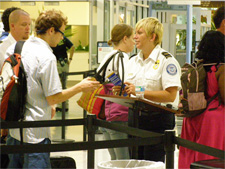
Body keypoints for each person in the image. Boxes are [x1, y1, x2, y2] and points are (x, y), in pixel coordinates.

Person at [5, 9, 100, 168]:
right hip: (36, 134)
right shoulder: (46, 57)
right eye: (61, 33)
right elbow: (53, 98)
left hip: (14, 130)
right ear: (51, 31)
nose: (62, 37)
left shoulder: (16, 48)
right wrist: (80, 87)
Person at [114, 17, 181, 162]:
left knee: (152, 164)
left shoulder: (167, 61)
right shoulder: (133, 61)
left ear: (152, 36)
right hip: (135, 118)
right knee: (135, 162)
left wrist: (139, 91)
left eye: (139, 33)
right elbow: (133, 89)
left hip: (157, 119)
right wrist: (122, 90)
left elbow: (170, 95)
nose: (135, 37)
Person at [178, 30, 225, 168]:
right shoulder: (221, 69)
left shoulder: (197, 67)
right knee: (210, 156)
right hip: (213, 118)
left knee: (190, 152)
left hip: (192, 113)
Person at [97, 23, 135, 160]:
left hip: (105, 113)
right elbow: (125, 84)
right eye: (132, 38)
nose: (134, 42)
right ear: (125, 39)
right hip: (120, 113)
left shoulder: (108, 56)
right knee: (123, 161)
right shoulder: (122, 57)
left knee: (114, 160)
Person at [0, 9, 31, 139]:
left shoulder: (30, 46)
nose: (28, 28)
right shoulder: (3, 49)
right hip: (10, 109)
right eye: (24, 25)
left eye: (29, 24)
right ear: (12, 25)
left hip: (26, 111)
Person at [52, 36, 75, 112]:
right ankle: (65, 106)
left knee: (58, 85)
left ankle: (59, 106)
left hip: (56, 64)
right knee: (64, 85)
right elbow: (72, 47)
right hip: (64, 64)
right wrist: (70, 59)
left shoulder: (52, 39)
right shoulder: (63, 39)